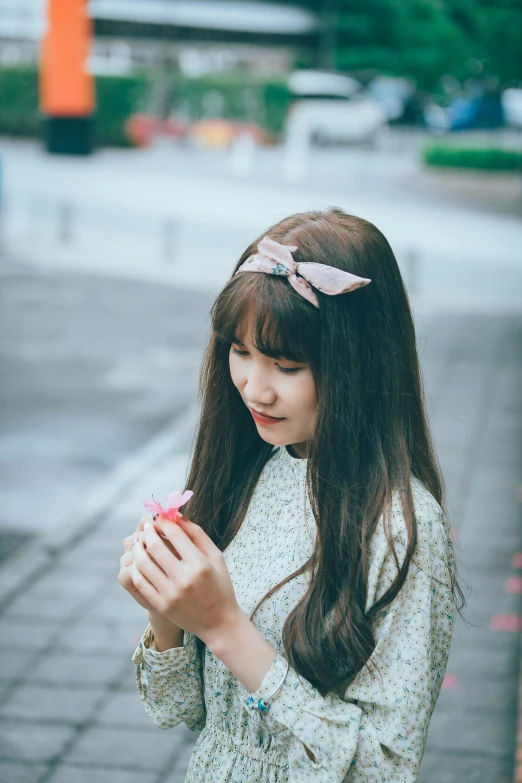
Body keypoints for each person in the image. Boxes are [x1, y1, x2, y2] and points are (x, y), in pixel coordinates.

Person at [118, 207, 466, 782]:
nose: (254, 387)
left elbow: (383, 769)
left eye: (286, 364)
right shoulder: (251, 469)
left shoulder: (402, 529)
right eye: (240, 351)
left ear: (358, 366)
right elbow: (180, 712)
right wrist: (168, 616)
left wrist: (227, 627)